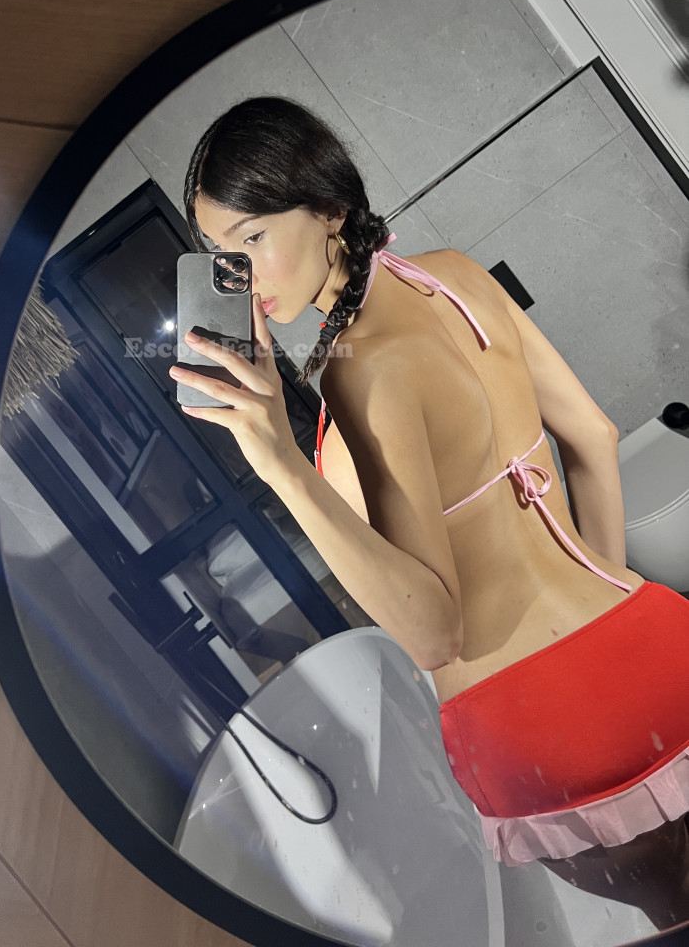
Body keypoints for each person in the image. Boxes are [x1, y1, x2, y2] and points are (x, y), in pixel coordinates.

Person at [169, 95, 689, 929]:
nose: (244, 276)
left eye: (253, 238)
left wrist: (280, 463)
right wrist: (611, 624)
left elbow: (433, 633)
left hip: (540, 729)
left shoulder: (360, 369)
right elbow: (592, 437)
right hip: (656, 640)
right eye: (222, 255)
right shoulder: (454, 274)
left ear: (329, 206)